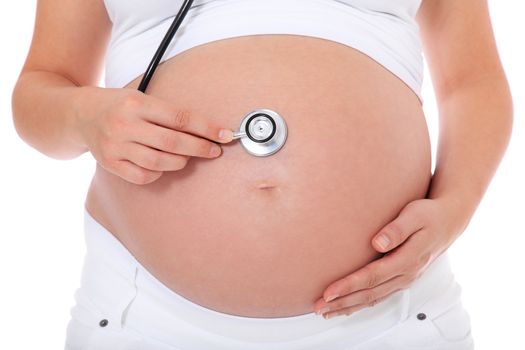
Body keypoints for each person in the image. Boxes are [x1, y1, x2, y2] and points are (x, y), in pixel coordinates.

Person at [11, 0, 512, 349]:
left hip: (389, 316)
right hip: (145, 318)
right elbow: (40, 88)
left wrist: (456, 208)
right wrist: (83, 116)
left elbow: (473, 79)